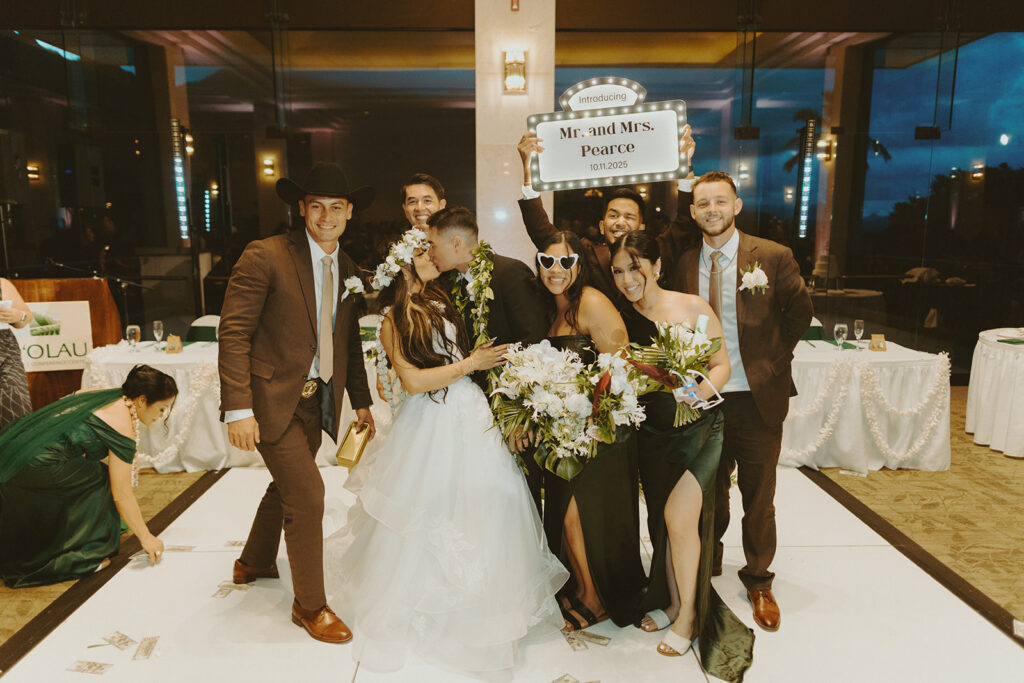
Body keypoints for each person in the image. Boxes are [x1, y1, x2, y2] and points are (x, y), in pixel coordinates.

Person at [325, 230, 568, 674]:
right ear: (403, 267)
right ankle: (431, 609)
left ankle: (494, 606)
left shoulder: (440, 298)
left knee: (495, 501)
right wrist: (469, 365)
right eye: (420, 252)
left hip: (471, 412)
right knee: (429, 509)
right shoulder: (391, 319)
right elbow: (414, 382)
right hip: (431, 421)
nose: (429, 254)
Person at [218, 162, 375, 644]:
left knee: (287, 484)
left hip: (316, 402)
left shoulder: (347, 267)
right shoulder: (264, 255)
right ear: (302, 208)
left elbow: (344, 340)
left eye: (337, 206)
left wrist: (362, 401)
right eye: (317, 205)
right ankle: (310, 605)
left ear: (348, 212)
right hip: (269, 400)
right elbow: (234, 333)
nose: (327, 215)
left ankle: (253, 561)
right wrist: (239, 408)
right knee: (308, 496)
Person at [673, 171, 812, 632]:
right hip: (703, 397)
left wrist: (771, 363)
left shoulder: (771, 256)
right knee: (707, 490)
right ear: (692, 212)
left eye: (720, 201)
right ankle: (707, 563)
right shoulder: (682, 261)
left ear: (736, 206)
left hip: (755, 397)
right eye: (702, 203)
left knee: (760, 495)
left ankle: (758, 579)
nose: (711, 210)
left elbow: (800, 313)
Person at [611, 232, 754, 678]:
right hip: (652, 435)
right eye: (618, 270)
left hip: (699, 428)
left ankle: (689, 615)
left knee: (680, 521)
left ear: (655, 265)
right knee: (662, 523)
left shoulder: (691, 306)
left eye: (635, 267)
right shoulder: (622, 319)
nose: (627, 279)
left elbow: (722, 364)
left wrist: (699, 392)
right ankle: (673, 601)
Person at [531, 230, 646, 631]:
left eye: (565, 262)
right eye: (547, 262)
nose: (555, 270)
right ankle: (582, 586)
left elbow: (622, 366)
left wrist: (594, 420)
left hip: (601, 434)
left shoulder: (592, 302)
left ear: (578, 266)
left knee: (580, 516)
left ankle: (597, 598)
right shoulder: (551, 310)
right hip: (564, 434)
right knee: (564, 516)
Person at [0, 365, 175, 587]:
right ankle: (83, 556)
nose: (162, 416)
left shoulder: (96, 395)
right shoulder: (123, 426)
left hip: (17, 449)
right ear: (141, 400)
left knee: (91, 472)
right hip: (37, 464)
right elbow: (121, 493)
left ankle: (73, 534)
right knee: (98, 478)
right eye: (161, 409)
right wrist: (146, 537)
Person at [425, 206, 550, 511]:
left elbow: (535, 345)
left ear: (456, 243)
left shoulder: (510, 273)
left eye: (432, 244)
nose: (429, 253)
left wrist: (521, 416)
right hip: (477, 413)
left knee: (521, 498)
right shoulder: (451, 283)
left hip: (514, 414)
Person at [515, 126, 700, 299]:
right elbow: (542, 232)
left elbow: (684, 224)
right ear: (602, 226)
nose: (620, 222)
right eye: (613, 215)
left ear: (641, 227)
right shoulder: (587, 255)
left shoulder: (656, 252)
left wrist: (686, 163)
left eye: (629, 217)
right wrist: (528, 172)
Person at [0, 277, 33, 430]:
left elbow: (26, 316)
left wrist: (18, 316)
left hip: (5, 352)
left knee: (14, 404)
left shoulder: (2, 283)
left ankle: (15, 451)